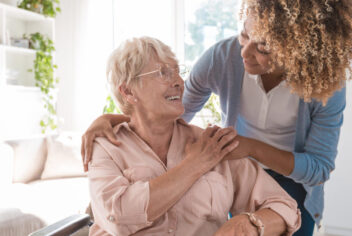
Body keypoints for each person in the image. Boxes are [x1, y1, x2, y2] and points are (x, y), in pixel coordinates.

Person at [82, 1, 352, 235]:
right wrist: (116, 118)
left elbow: (318, 168)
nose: (244, 53)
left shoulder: (326, 85)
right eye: (244, 35)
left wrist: (250, 148)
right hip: (236, 157)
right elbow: (173, 112)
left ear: (299, 52)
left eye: (264, 47)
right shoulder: (223, 58)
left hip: (288, 177)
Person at [88, 36, 300, 236]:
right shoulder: (107, 147)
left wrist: (252, 224)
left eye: (178, 71)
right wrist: (194, 164)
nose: (180, 82)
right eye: (163, 73)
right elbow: (118, 217)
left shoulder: (211, 144)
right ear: (128, 92)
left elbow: (286, 207)